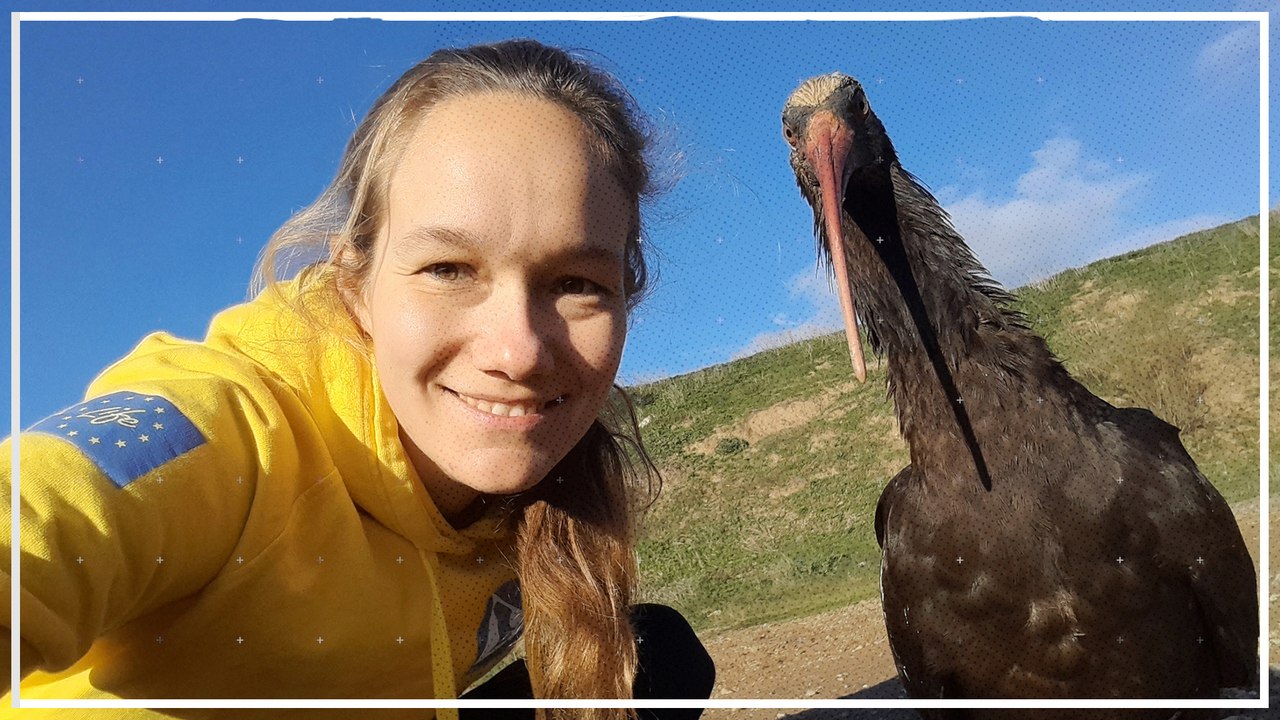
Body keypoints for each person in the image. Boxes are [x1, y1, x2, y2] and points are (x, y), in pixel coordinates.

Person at [2, 39, 714, 719]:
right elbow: (44, 510)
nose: (519, 352)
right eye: (448, 270)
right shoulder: (232, 436)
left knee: (655, 658)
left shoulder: (550, 485)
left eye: (577, 283)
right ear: (356, 287)